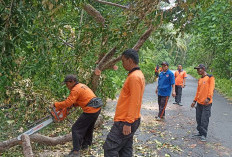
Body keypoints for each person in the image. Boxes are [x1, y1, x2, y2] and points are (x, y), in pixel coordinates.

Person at [103, 49, 145, 157]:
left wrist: (128, 122)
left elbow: (134, 101)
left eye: (123, 61)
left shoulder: (135, 77)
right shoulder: (137, 74)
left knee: (110, 147)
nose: (122, 64)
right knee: (125, 149)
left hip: (125, 120)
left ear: (130, 60)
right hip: (129, 119)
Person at [51, 74, 103, 157]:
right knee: (88, 127)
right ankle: (86, 146)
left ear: (72, 82)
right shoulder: (82, 86)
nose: (67, 86)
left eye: (67, 84)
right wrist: (74, 105)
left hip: (91, 109)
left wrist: (55, 104)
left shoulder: (75, 89)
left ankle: (76, 152)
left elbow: (68, 102)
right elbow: (84, 99)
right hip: (96, 108)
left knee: (76, 128)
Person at [191, 64, 215, 142]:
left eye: (199, 69)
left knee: (204, 119)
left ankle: (204, 134)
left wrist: (208, 98)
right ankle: (200, 132)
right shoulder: (200, 80)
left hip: (206, 104)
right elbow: (198, 92)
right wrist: (194, 101)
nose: (197, 71)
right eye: (197, 70)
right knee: (198, 118)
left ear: (203, 69)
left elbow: (211, 89)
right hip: (199, 103)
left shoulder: (210, 77)